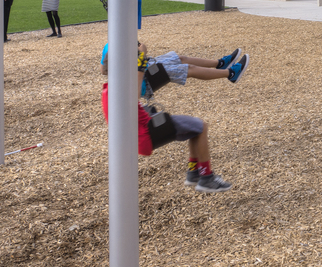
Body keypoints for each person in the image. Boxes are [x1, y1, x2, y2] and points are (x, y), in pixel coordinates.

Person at [100, 62, 230, 193]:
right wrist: (140, 66)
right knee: (201, 127)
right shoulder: (120, 88)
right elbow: (136, 93)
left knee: (194, 129)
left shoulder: (108, 88)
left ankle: (194, 172)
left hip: (140, 134)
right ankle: (206, 177)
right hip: (147, 132)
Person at [102, 40, 249, 92]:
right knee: (189, 69)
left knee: (180, 58)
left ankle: (220, 64)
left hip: (146, 66)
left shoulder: (113, 44)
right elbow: (106, 71)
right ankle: (230, 74)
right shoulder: (109, 47)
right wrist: (141, 55)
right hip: (143, 82)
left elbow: (104, 69)